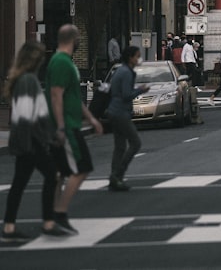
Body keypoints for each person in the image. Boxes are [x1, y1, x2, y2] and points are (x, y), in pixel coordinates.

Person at [3, 41, 69, 241]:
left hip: (28, 141)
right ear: (34, 59)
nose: (43, 60)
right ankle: (47, 223)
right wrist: (42, 140)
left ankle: (9, 227)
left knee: (19, 184)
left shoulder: (24, 80)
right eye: (40, 57)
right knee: (52, 176)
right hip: (30, 142)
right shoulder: (28, 81)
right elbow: (26, 117)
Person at [47, 24, 103, 235]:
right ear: (72, 38)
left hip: (70, 123)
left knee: (61, 173)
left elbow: (71, 97)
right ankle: (60, 214)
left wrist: (91, 118)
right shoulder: (61, 62)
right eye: (79, 36)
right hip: (67, 127)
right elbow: (56, 95)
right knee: (82, 168)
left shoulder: (62, 61)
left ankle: (52, 216)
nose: (80, 40)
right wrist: (61, 126)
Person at [106, 45, 150, 191]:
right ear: (130, 57)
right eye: (137, 56)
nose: (139, 59)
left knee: (119, 147)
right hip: (120, 112)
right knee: (135, 143)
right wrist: (140, 90)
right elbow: (126, 95)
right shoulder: (126, 73)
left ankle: (115, 177)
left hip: (114, 110)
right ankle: (118, 174)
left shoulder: (121, 70)